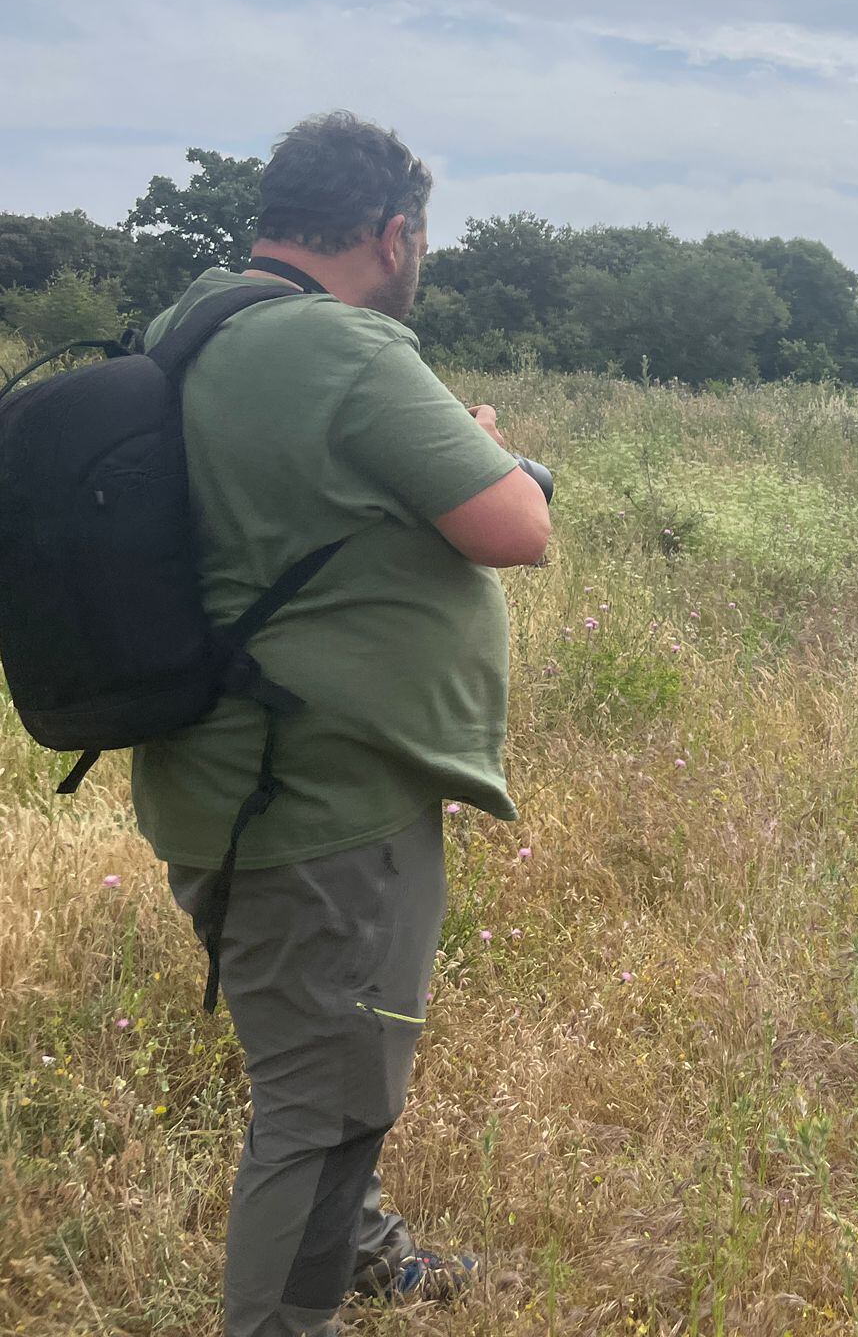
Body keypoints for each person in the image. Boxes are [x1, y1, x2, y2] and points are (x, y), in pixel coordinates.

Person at [134, 111, 551, 1337]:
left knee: (332, 1057)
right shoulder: (343, 347)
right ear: (392, 233)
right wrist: (493, 451)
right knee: (320, 1106)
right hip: (315, 801)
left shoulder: (193, 325)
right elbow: (515, 527)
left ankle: (361, 1251)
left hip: (223, 774)